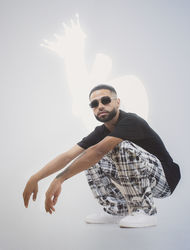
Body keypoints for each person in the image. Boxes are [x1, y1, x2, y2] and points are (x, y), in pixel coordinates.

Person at [23, 84, 181, 228]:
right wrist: (35, 178)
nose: (100, 106)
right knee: (88, 154)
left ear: (117, 102)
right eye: (94, 104)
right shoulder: (101, 131)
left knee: (113, 148)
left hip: (165, 180)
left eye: (105, 100)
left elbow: (98, 151)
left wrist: (60, 179)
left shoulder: (131, 121)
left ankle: (145, 211)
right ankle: (116, 210)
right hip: (142, 179)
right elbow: (67, 156)